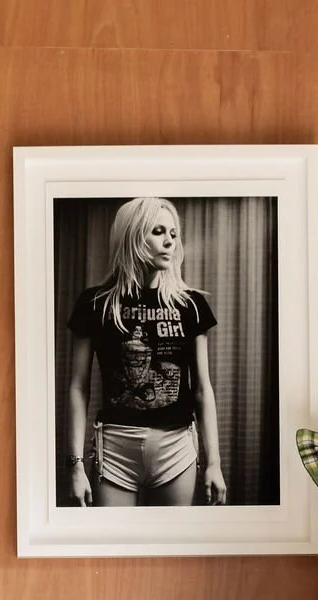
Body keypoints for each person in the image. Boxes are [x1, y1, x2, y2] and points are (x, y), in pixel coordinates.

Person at [65, 196, 227, 508]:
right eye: (158, 231)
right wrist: (75, 465)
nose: (169, 241)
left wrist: (215, 464)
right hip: (114, 448)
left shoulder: (189, 304)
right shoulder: (95, 303)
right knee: (113, 548)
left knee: (172, 549)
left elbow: (203, 389)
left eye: (174, 234)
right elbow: (77, 386)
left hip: (176, 447)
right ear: (133, 235)